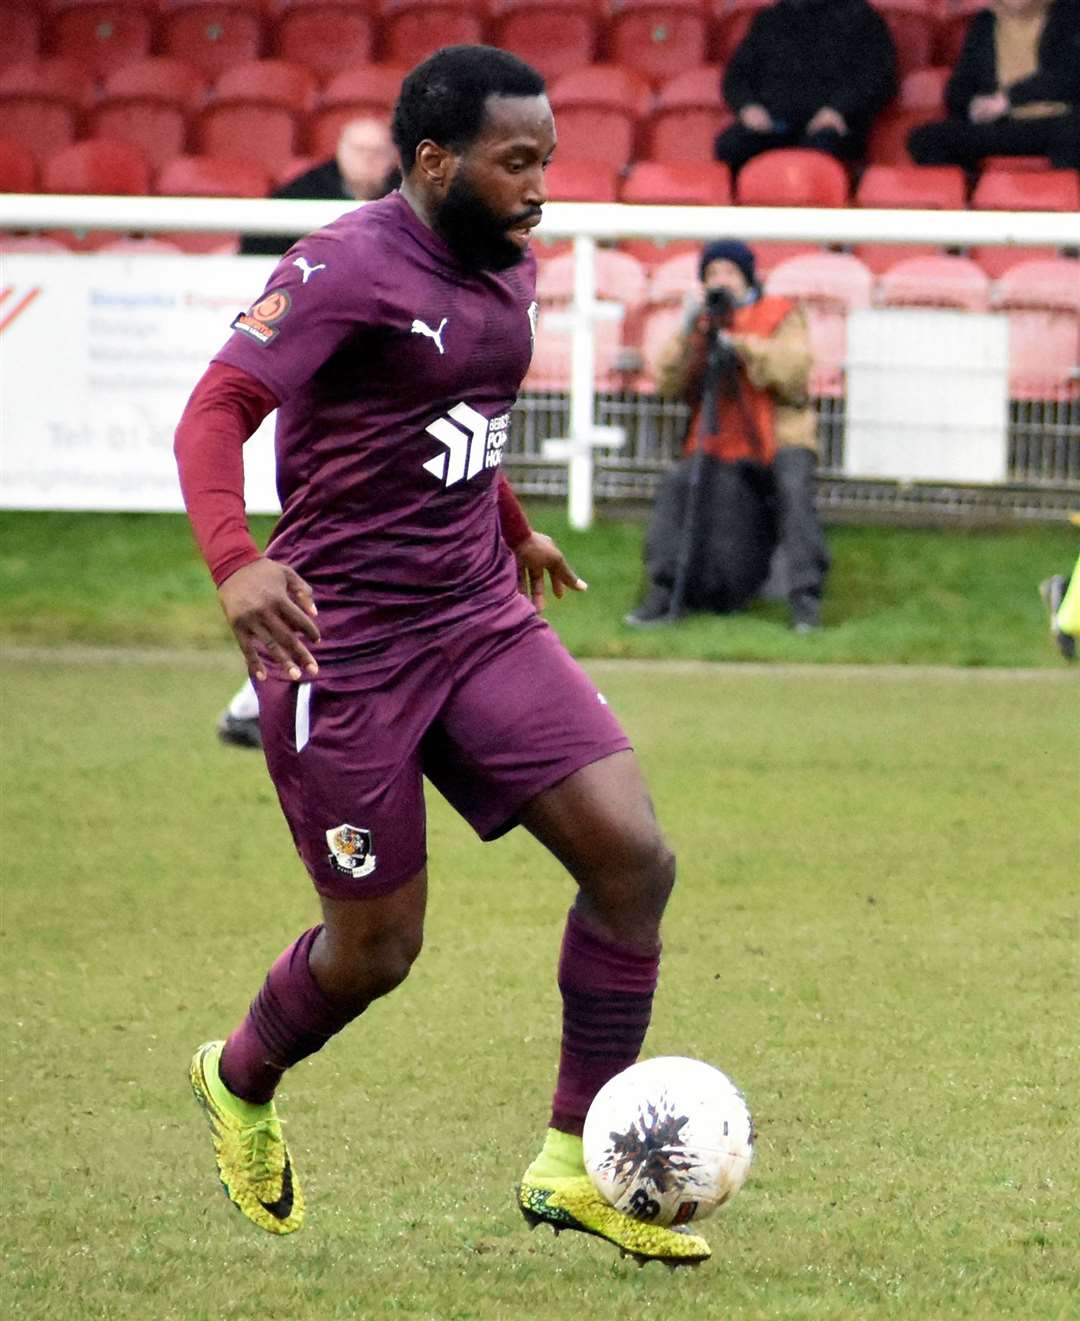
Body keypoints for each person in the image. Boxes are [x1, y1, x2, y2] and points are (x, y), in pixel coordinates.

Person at [174, 45, 711, 1267]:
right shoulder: (345, 265)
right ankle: (239, 1075)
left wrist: (513, 526)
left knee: (633, 861)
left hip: (473, 613)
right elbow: (213, 411)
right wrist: (235, 562)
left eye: (547, 162)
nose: (540, 188)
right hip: (343, 645)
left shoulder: (509, 267)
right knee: (378, 950)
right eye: (517, 162)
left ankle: (573, 1164)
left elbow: (451, 416)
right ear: (433, 160)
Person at [221, 117, 404, 747]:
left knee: (338, 561)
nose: (373, 160)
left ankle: (261, 699)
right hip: (341, 453)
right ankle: (258, 700)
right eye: (361, 149)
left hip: (376, 446)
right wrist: (229, 559)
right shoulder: (311, 220)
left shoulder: (405, 221)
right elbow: (218, 405)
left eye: (381, 151)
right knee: (327, 553)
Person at [626, 239, 829, 632]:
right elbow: (666, 380)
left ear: (748, 278)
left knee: (792, 489)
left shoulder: (780, 313)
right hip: (718, 438)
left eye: (730, 274)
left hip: (779, 434)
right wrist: (689, 330)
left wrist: (741, 346)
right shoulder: (702, 323)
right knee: (678, 485)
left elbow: (794, 370)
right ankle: (666, 590)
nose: (721, 281)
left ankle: (806, 599)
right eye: (713, 274)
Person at [715, 0, 897, 176]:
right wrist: (748, 108)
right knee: (731, 145)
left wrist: (839, 111)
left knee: (821, 151)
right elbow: (736, 76)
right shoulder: (770, 19)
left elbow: (877, 78)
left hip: (829, 127)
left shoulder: (863, 19)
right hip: (772, 126)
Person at [908, 0, 1080, 172]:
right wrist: (972, 106)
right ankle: (972, 194)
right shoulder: (985, 21)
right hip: (1003, 124)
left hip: (1059, 120)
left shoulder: (1070, 14)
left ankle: (1063, 196)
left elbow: (1068, 76)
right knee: (926, 140)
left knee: (1072, 134)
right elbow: (961, 84)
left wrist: (1009, 100)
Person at [239, 116, 400, 258]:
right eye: (358, 150)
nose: (367, 159)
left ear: (393, 157)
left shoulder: (410, 191)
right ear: (340, 152)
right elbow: (260, 237)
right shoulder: (309, 186)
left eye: (378, 152)